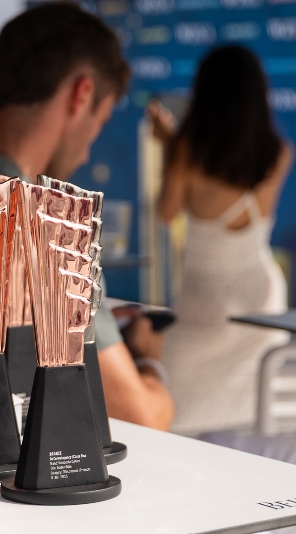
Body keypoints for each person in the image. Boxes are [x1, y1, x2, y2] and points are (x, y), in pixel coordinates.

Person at [0, 3, 174, 430]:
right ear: (81, 94)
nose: (87, 152)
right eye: (100, 121)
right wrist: (148, 359)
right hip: (48, 454)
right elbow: (139, 415)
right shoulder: (50, 222)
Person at [147, 46, 292, 436]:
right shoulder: (279, 152)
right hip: (261, 298)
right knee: (253, 413)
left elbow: (166, 212)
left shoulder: (190, 151)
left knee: (177, 410)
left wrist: (170, 145)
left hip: (206, 302)